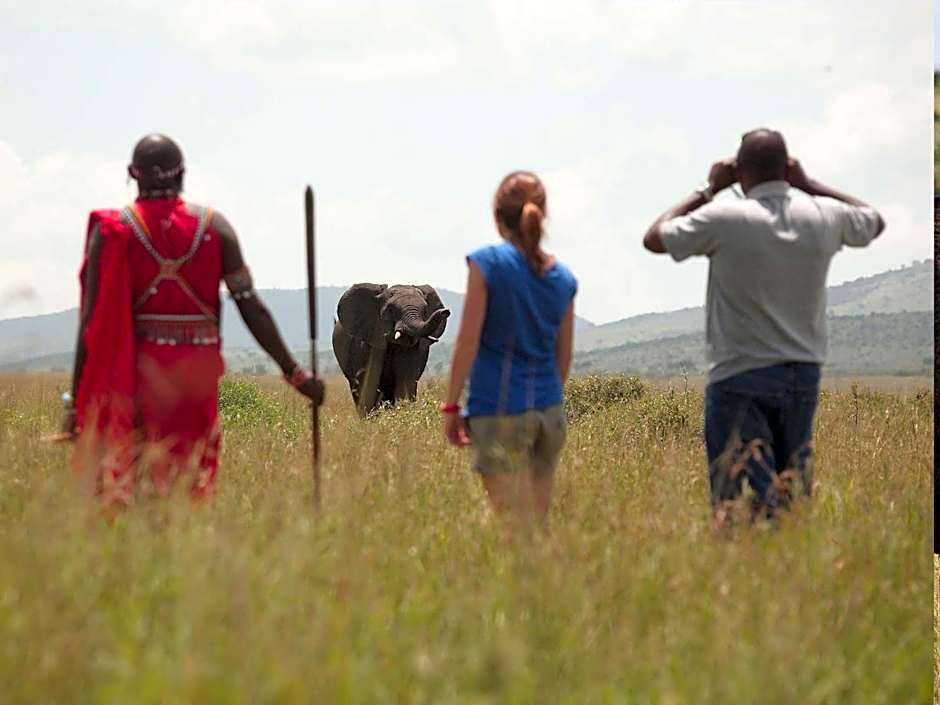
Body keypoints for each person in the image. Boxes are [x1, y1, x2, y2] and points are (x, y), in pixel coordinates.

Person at [63, 134, 324, 507]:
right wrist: (296, 375)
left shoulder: (114, 230)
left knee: (131, 487)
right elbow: (251, 307)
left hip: (135, 377)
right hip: (195, 381)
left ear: (132, 174)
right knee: (189, 486)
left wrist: (77, 403)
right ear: (182, 173)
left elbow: (92, 323)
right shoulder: (215, 228)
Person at [643, 128, 884, 524]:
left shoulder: (725, 217)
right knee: (790, 497)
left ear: (739, 171)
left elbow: (655, 238)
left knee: (733, 500)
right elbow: (873, 222)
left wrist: (707, 189)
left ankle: (742, 567)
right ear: (786, 168)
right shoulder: (822, 215)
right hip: (802, 374)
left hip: (739, 375)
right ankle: (787, 565)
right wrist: (809, 185)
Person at [442, 171, 577, 527]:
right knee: (536, 523)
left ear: (497, 216)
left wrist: (452, 405)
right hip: (549, 413)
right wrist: (547, 399)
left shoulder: (487, 264)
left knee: (514, 528)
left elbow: (467, 340)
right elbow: (563, 357)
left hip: (498, 411)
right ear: (541, 215)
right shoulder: (563, 278)